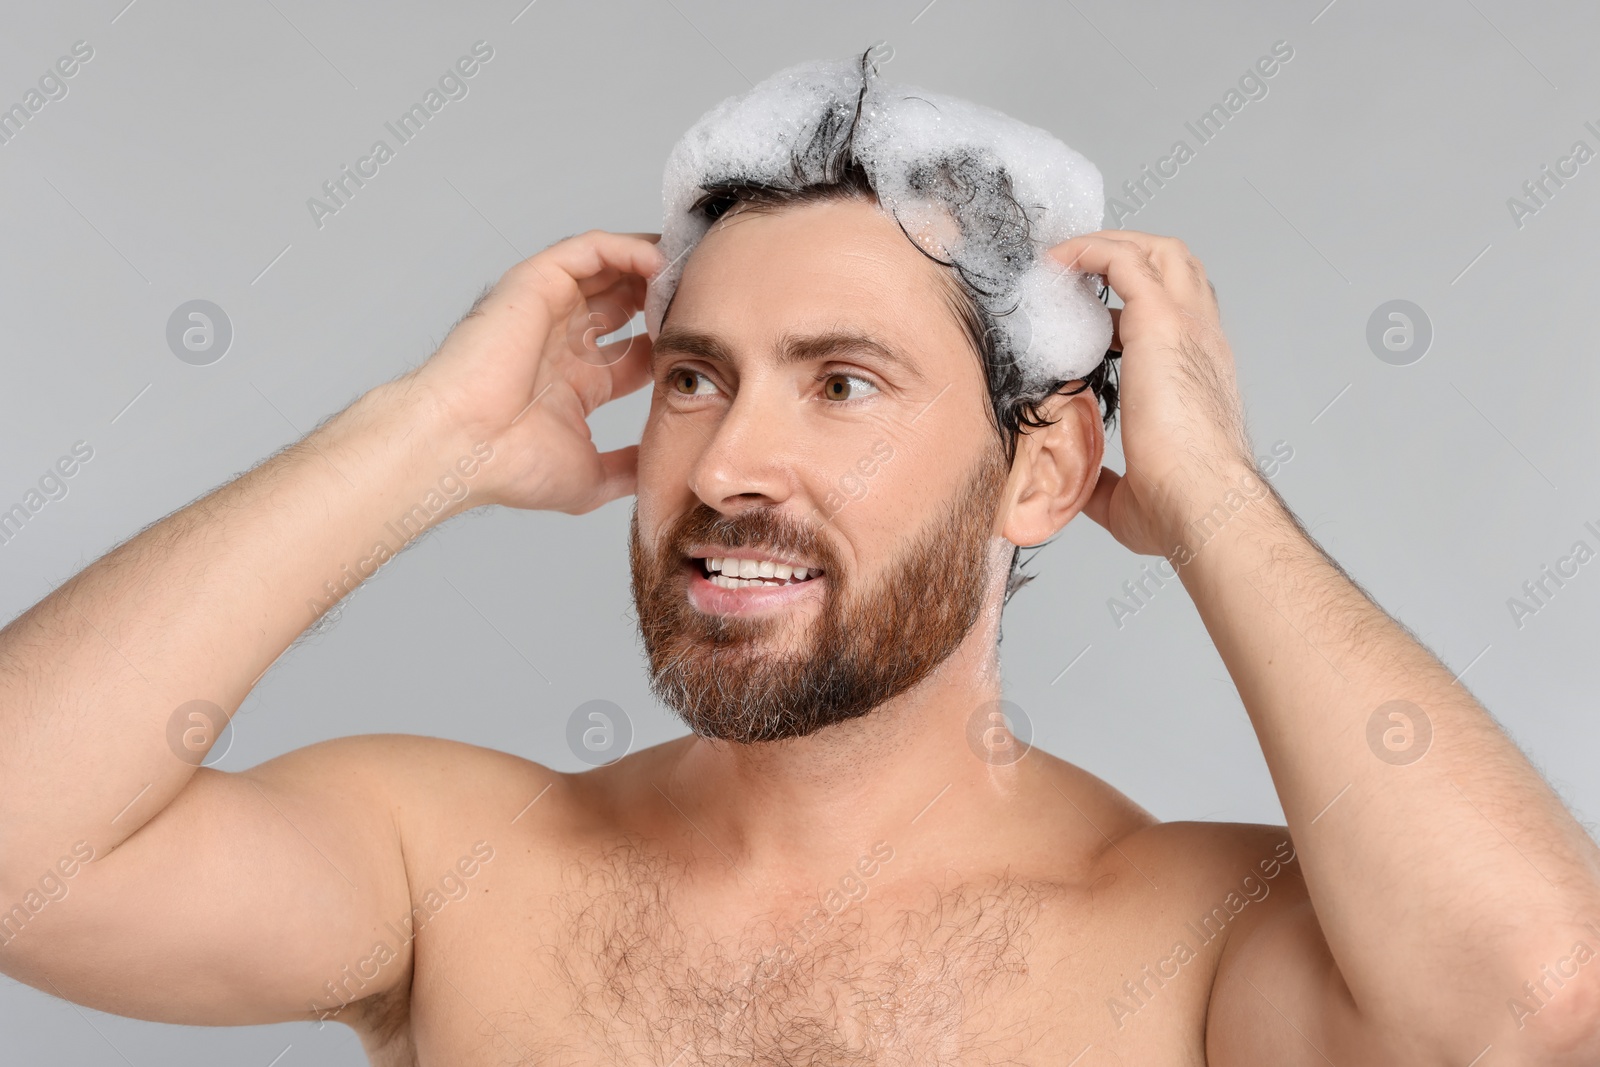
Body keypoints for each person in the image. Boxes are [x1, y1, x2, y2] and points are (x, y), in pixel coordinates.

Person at [3, 74, 1599, 1067]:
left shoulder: (1184, 937)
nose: (728, 461)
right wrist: (418, 440)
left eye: (841, 382)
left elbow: (1527, 1009)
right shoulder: (457, 873)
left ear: (1036, 470)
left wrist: (1219, 503)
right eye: (695, 377)